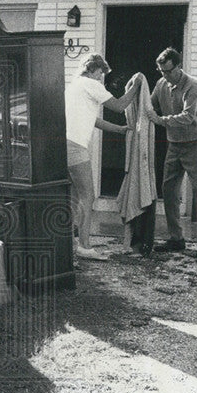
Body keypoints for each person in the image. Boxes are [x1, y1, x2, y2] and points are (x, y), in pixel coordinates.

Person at [145, 47, 197, 258]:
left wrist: (161, 120)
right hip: (174, 144)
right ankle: (176, 239)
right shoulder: (161, 84)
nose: (165, 76)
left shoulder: (192, 86)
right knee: (168, 190)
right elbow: (150, 105)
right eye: (161, 72)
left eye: (168, 71)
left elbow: (187, 116)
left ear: (178, 67)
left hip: (196, 143)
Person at [65, 53, 137, 260]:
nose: (101, 78)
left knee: (73, 196)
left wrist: (119, 129)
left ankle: (69, 244)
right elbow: (120, 105)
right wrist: (137, 84)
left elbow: (93, 120)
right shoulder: (91, 83)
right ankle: (85, 246)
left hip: (61, 145)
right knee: (89, 195)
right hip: (76, 147)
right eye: (101, 74)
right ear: (94, 70)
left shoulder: (74, 85)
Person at [115, 72, 157, 256]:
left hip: (141, 153)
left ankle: (134, 243)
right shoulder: (135, 127)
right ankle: (132, 242)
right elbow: (118, 105)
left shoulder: (142, 127)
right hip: (137, 151)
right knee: (136, 190)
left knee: (140, 189)